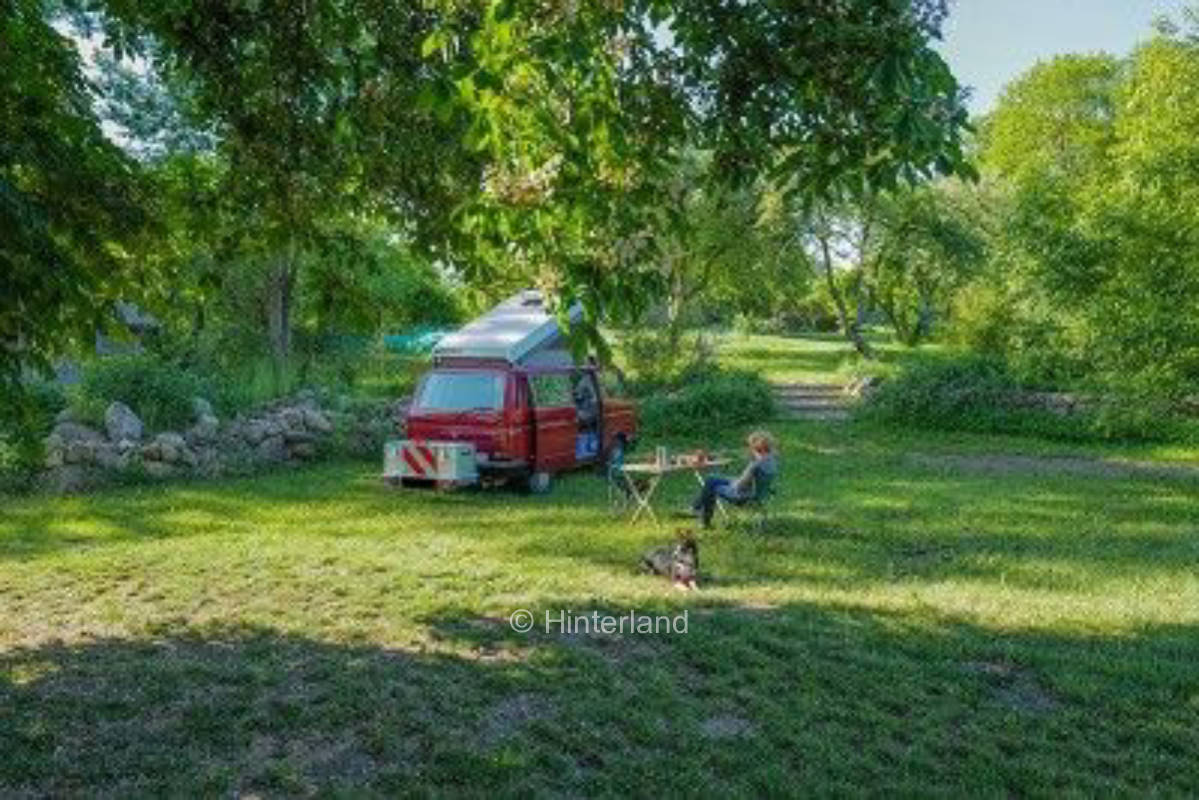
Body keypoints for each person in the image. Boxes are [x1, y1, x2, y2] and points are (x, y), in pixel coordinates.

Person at [691, 431, 778, 528]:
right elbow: (750, 481)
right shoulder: (772, 460)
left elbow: (739, 487)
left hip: (743, 496)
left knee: (711, 486)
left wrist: (733, 483)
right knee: (711, 478)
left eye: (751, 447)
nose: (749, 449)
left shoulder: (755, 465)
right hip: (759, 494)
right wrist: (736, 480)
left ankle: (704, 521)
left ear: (757, 448)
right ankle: (696, 506)